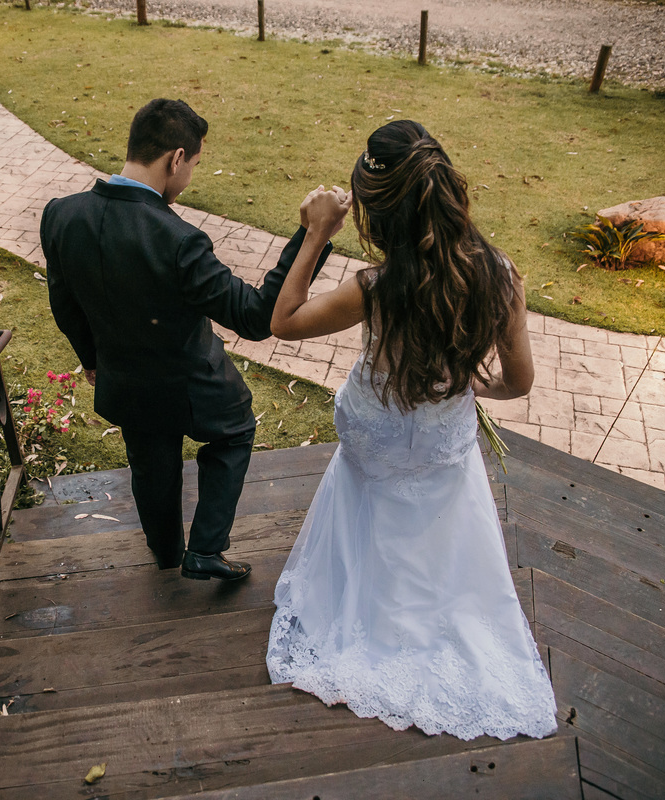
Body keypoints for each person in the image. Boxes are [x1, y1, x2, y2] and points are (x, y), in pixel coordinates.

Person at [264, 120, 558, 740]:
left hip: (374, 436)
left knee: (372, 506)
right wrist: (476, 391)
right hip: (439, 439)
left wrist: (317, 230)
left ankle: (362, 611)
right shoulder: (500, 277)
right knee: (435, 520)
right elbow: (520, 381)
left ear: (381, 215)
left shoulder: (374, 288)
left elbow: (283, 322)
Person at [40, 98, 334, 581]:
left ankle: (165, 553)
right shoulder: (179, 239)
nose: (191, 175)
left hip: (124, 383)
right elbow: (256, 317)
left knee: (150, 463)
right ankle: (204, 549)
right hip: (192, 385)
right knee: (235, 431)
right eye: (194, 165)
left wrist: (92, 358)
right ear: (176, 158)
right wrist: (311, 235)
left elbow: (63, 302)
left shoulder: (60, 215)